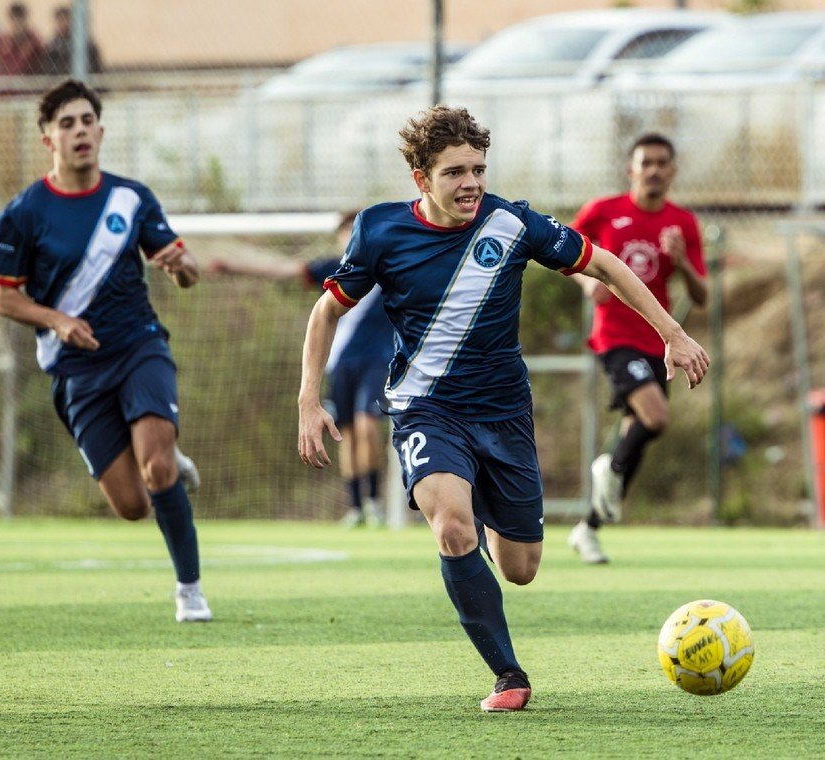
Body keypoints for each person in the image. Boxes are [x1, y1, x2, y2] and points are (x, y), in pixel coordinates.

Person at [297, 106, 709, 712]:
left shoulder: (512, 223)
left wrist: (671, 331)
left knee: (520, 568)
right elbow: (328, 309)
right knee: (453, 528)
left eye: (479, 169)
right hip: (424, 408)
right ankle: (508, 676)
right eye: (455, 172)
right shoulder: (379, 231)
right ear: (421, 178)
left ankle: (485, 529)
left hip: (504, 413)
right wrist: (309, 398)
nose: (471, 183)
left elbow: (603, 263)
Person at [0, 79, 211, 623]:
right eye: (67, 123)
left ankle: (190, 589)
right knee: (133, 506)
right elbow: (2, 296)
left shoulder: (130, 197)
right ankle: (166, 463)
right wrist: (57, 320)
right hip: (75, 372)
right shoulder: (23, 213)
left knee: (157, 470)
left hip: (140, 348)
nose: (80, 131)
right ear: (48, 140)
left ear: (101, 130)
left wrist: (183, 268)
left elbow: (186, 272)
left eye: (87, 120)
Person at [566, 133, 708, 565]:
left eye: (663, 162)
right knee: (655, 417)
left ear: (673, 170)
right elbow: (563, 251)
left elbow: (702, 297)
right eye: (646, 162)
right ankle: (606, 470)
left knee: (638, 434)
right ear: (631, 168)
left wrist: (682, 261)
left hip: (660, 341)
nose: (654, 170)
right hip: (615, 336)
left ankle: (588, 528)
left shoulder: (682, 223)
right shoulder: (603, 211)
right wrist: (589, 281)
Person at [209, 211, 392, 528]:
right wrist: (233, 266)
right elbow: (284, 269)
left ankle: (375, 502)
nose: (351, 240)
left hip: (378, 361)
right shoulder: (334, 270)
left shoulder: (388, 269)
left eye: (356, 234)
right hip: (340, 364)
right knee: (346, 434)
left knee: (367, 427)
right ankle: (356, 507)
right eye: (345, 234)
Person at [43, 5, 103, 76]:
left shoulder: (88, 45)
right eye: (60, 21)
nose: (63, 24)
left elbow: (96, 69)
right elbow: (48, 70)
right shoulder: (52, 47)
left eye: (66, 20)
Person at [0, 2, 45, 79]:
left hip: (28, 87)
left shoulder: (34, 42)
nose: (17, 24)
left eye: (20, 20)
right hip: (6, 87)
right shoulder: (1, 42)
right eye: (14, 19)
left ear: (25, 20)